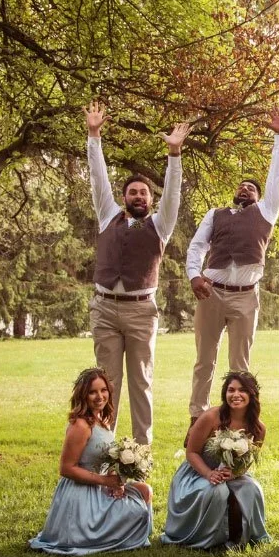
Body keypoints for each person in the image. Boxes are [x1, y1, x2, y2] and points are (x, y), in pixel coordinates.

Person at [84, 101, 188, 444]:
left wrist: (174, 155)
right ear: (124, 197)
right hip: (105, 308)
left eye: (144, 192)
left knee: (141, 382)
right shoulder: (107, 215)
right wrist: (94, 135)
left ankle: (140, 451)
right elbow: (98, 178)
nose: (139, 196)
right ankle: (103, 446)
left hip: (141, 311)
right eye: (133, 192)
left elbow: (172, 193)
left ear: (150, 199)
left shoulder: (160, 225)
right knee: (105, 385)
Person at [185, 109, 279, 435]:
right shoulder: (215, 214)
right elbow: (196, 247)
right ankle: (197, 420)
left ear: (259, 199)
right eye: (242, 186)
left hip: (246, 297)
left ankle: (239, 424)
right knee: (204, 360)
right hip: (212, 291)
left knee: (239, 366)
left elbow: (275, 176)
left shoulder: (266, 211)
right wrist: (194, 275)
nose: (245, 189)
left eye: (251, 188)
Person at [29, 368, 152, 555]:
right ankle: (95, 533)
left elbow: (105, 458)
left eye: (103, 390)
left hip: (101, 486)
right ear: (83, 395)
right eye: (92, 392)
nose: (99, 396)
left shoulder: (101, 420)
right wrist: (104, 481)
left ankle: (133, 532)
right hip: (82, 493)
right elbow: (66, 469)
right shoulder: (80, 425)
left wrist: (115, 479)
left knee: (144, 490)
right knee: (138, 509)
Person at [161, 371, 270, 550]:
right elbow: (192, 453)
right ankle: (208, 539)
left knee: (252, 487)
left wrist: (235, 473)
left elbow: (248, 462)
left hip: (231, 474)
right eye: (230, 390)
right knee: (216, 491)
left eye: (242, 390)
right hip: (198, 472)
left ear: (252, 395)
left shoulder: (258, 428)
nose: (235, 395)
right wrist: (209, 473)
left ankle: (241, 537)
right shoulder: (211, 417)